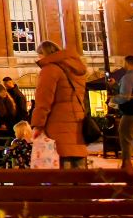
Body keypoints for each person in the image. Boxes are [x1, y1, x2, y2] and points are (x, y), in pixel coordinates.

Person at [29, 40, 90, 168]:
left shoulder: (50, 69)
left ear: (43, 54)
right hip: (77, 126)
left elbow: (43, 101)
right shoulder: (76, 70)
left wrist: (37, 124)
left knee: (63, 175)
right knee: (80, 174)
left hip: (57, 127)